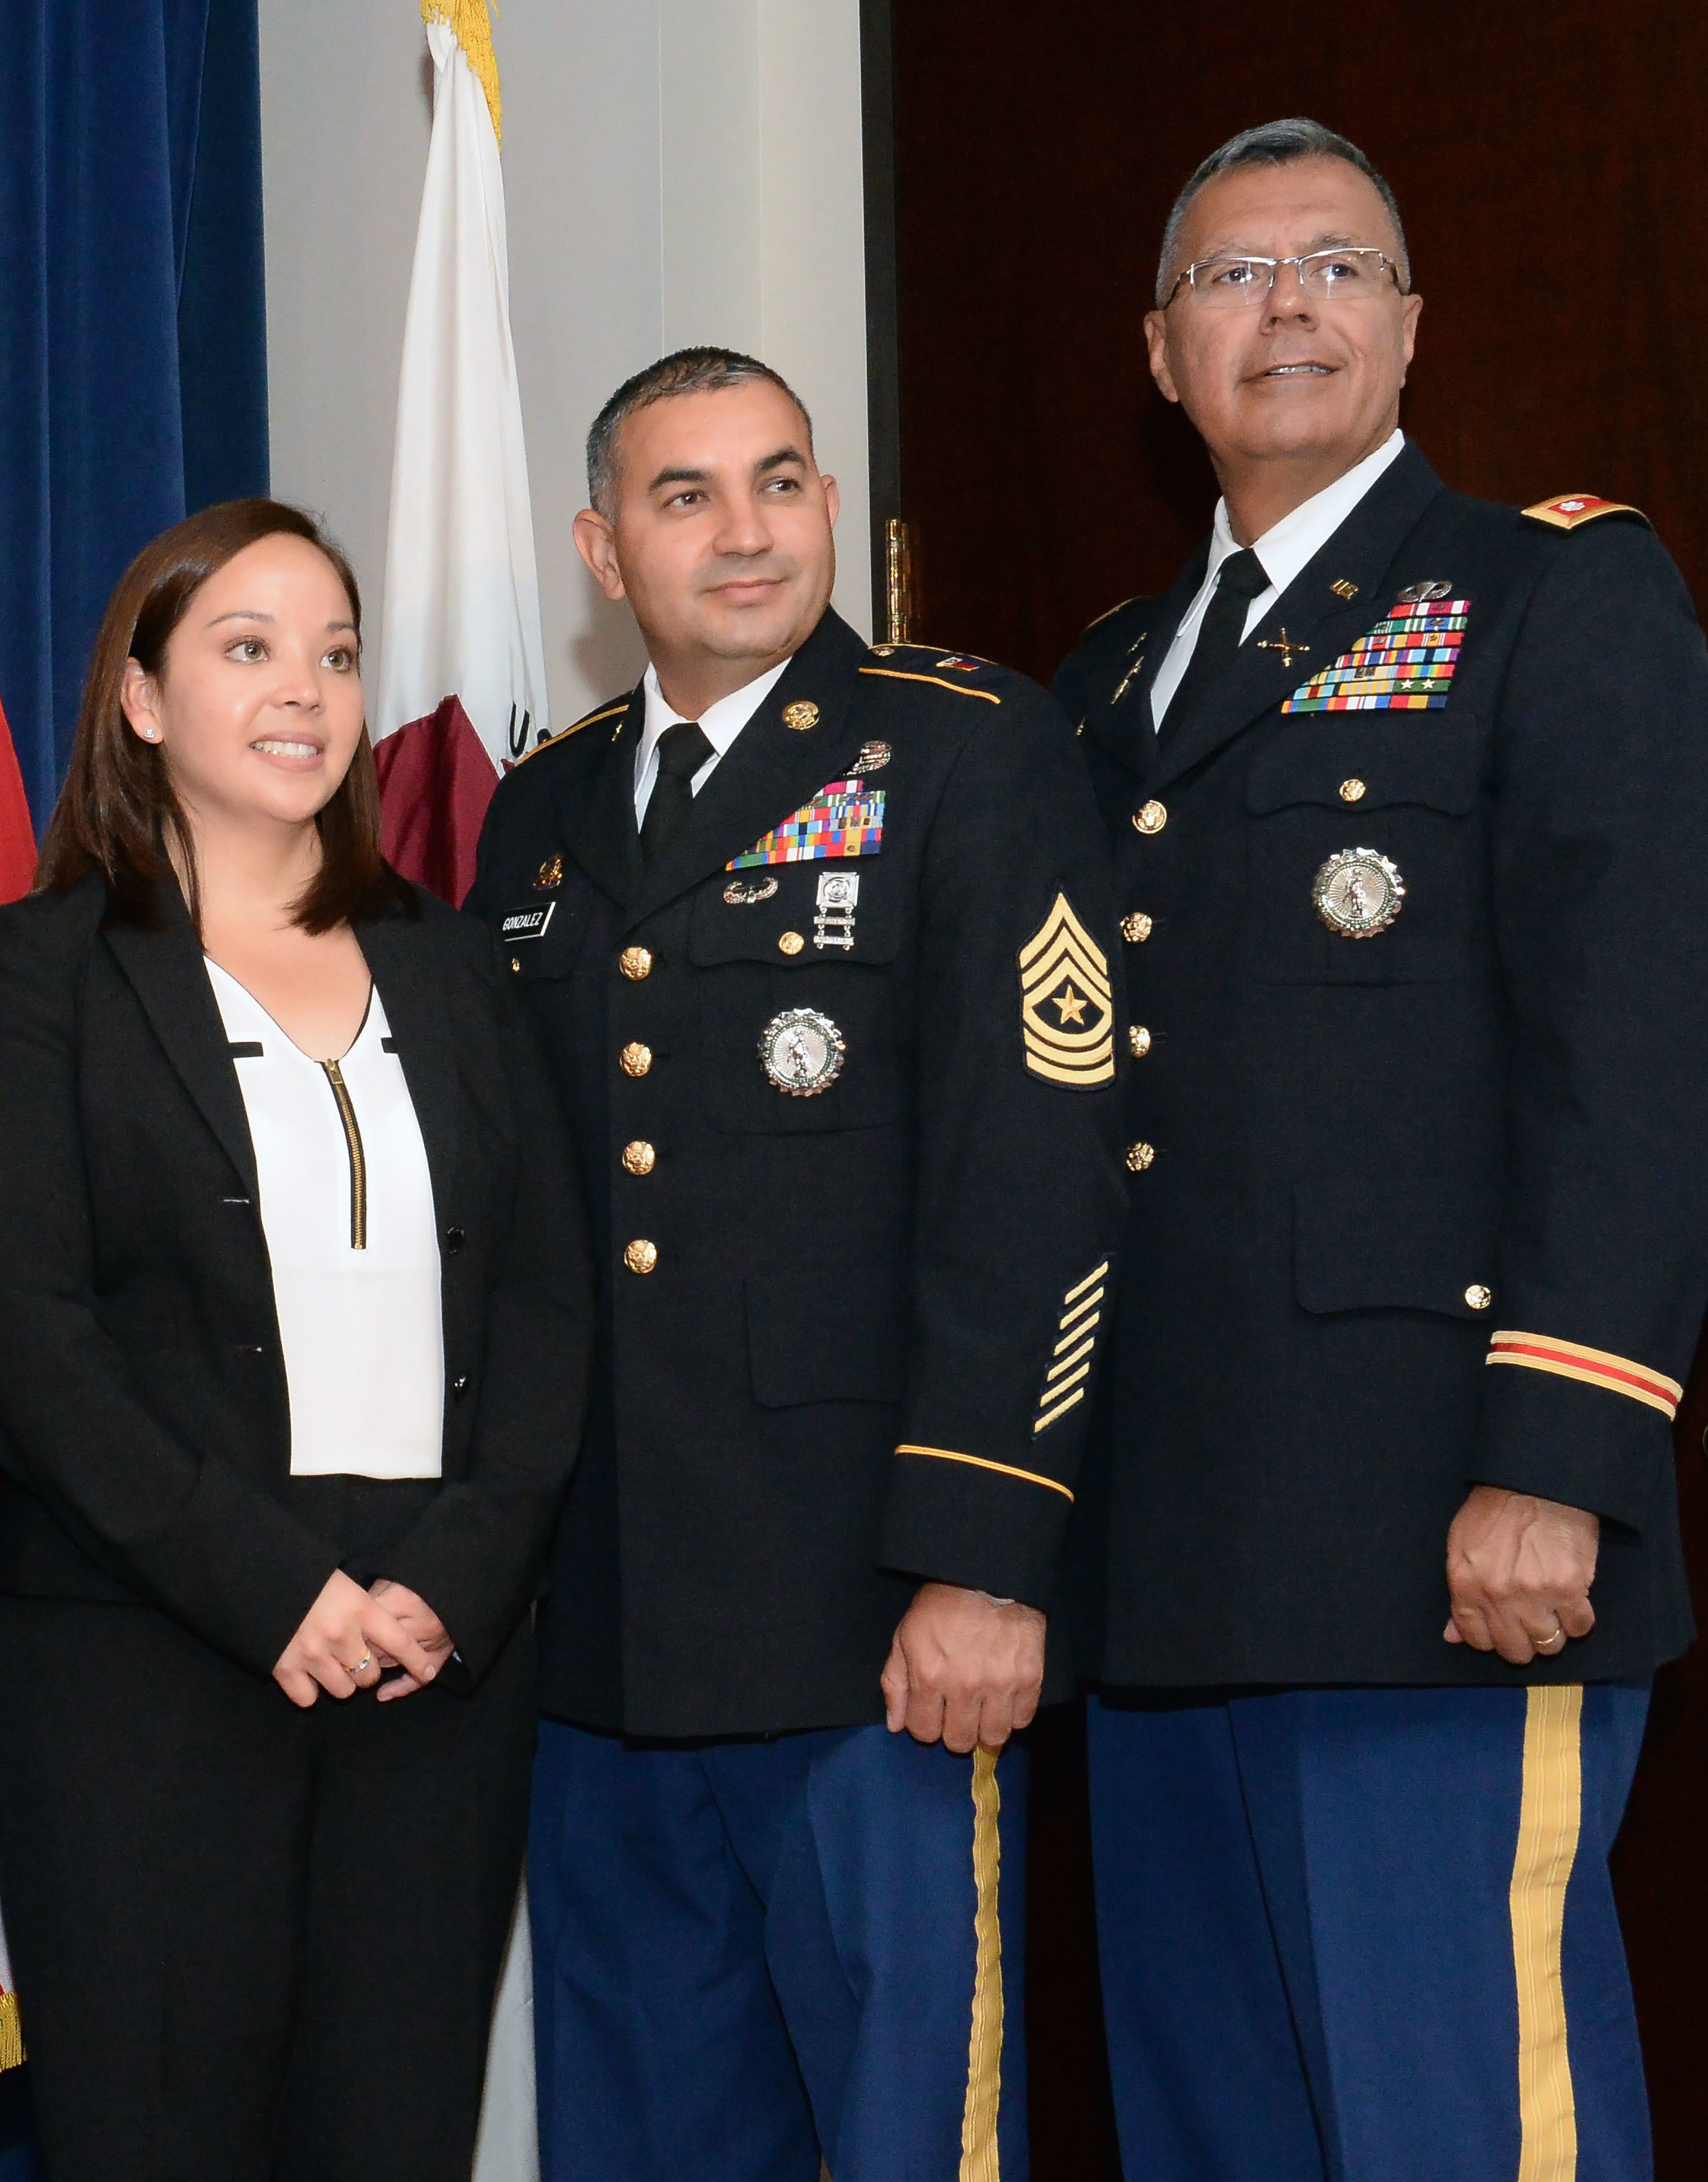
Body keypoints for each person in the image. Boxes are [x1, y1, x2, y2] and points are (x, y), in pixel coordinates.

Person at [1050, 118, 1708, 2181]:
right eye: (1237, 274)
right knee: (1222, 2135)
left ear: (1410, 326)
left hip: (1437, 1544)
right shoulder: (1103, 682)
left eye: (1337, 266)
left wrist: (1556, 1451)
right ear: (1162, 351)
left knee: (1461, 2127)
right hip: (1165, 1567)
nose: (1289, 305)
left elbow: (1656, 1055)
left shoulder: (1553, 596)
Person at [465, 348, 1127, 2179]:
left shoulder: (966, 745)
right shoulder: (540, 811)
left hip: (873, 1628)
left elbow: (1041, 1172)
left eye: (780, 479)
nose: (746, 530)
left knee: (914, 2133)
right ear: (605, 549)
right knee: (647, 2138)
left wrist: (985, 1554)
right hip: (601, 1633)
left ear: (833, 506)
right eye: (686, 495)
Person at [0, 500, 592, 2180]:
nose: (305, 687)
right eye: (247, 646)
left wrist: (459, 1570)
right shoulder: (49, 968)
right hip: (158, 1658)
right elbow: (27, 1331)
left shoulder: (448, 968)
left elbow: (540, 1300)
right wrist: (269, 1585)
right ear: (142, 697)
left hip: (433, 1659)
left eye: (336, 651)